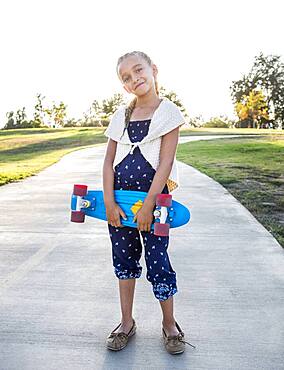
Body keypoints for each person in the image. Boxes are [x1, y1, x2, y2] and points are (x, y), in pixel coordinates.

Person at [102, 51, 195, 354]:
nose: (134, 79)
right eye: (126, 77)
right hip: (119, 203)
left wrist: (150, 206)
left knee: (158, 262)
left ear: (153, 69)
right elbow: (107, 163)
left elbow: (165, 163)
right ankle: (126, 322)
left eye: (138, 70)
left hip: (154, 205)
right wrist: (108, 203)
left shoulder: (168, 114)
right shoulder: (121, 116)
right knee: (124, 261)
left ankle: (169, 324)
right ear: (124, 85)